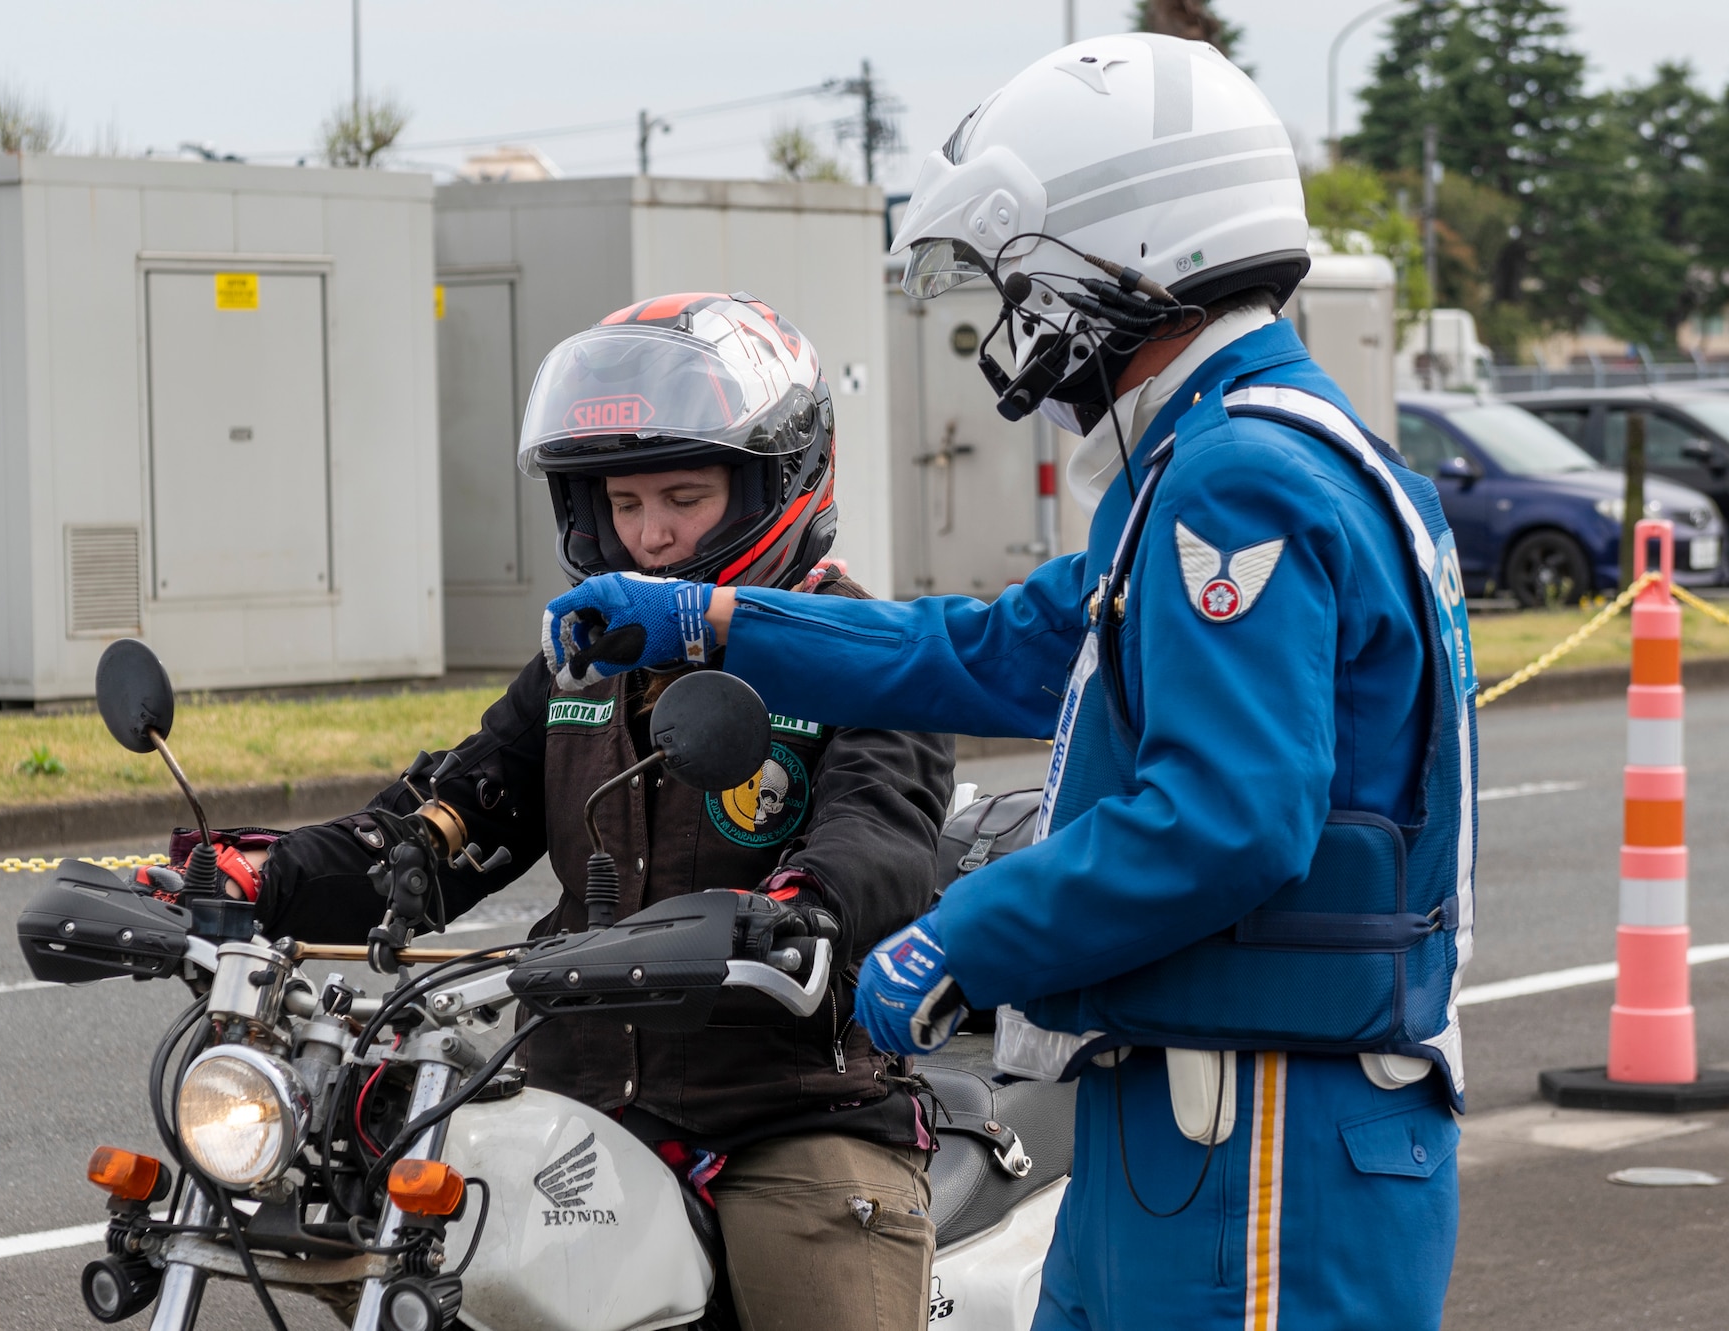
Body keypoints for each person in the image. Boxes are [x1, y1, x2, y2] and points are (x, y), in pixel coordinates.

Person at [540, 35, 1475, 1331]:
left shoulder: (1233, 475)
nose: (1013, 313)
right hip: (1191, 1109)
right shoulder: (1221, 454)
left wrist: (959, 933)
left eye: (1020, 273)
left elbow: (1230, 815)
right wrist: (710, 618)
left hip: (1262, 1122)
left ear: (1127, 253)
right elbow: (980, 652)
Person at [227, 293, 954, 1331]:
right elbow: (442, 821)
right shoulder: (583, 661)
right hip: (571, 1100)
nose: (650, 535)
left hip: (786, 1109)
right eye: (625, 503)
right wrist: (248, 876)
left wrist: (800, 908)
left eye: (683, 496)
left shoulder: (865, 654)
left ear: (773, 486)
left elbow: (883, 829)